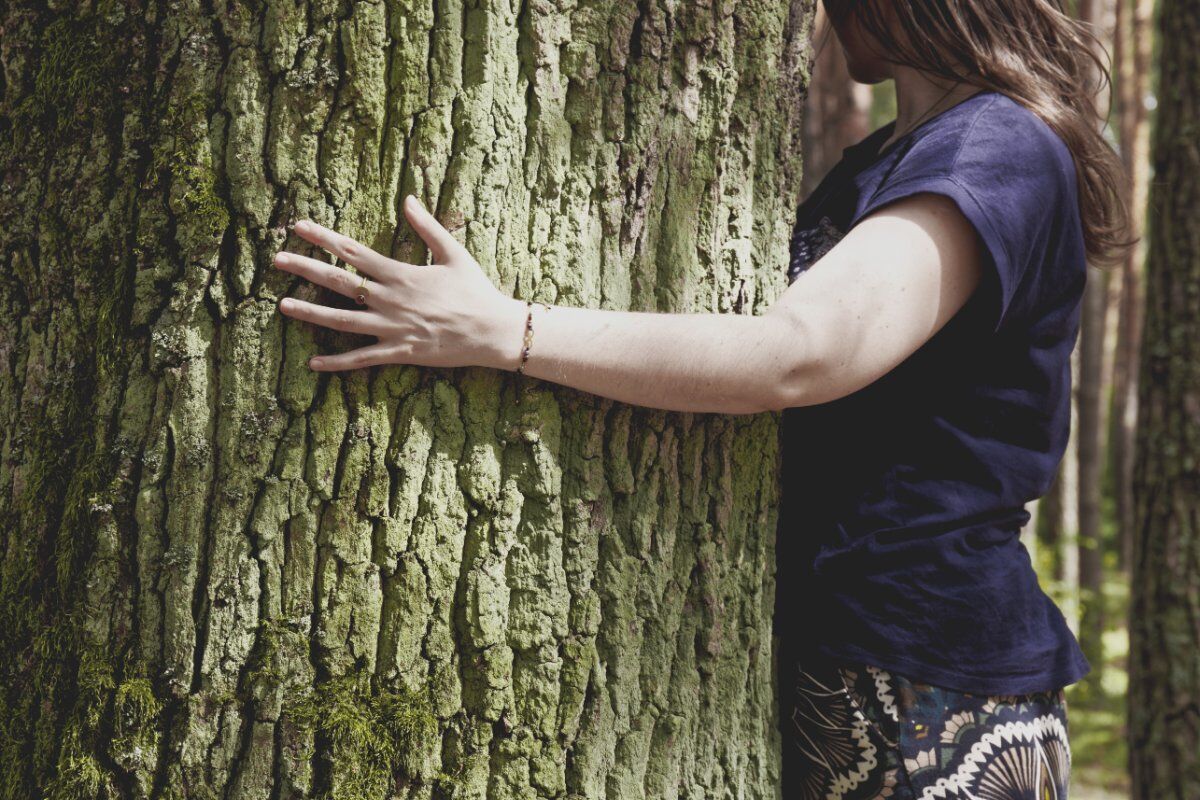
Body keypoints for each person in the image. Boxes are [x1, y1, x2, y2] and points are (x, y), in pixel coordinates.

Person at [274, 1, 1133, 797]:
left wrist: (508, 332)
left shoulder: (998, 144)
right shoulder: (891, 158)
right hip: (853, 665)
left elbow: (802, 355)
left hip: (930, 681)